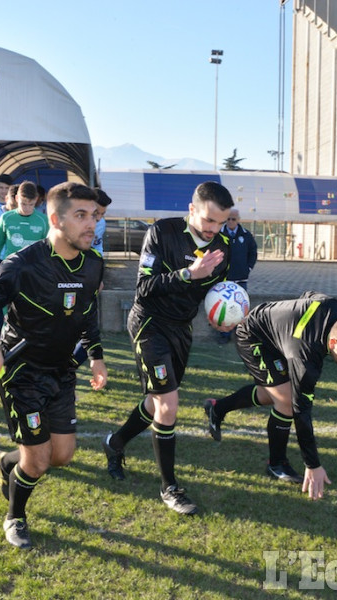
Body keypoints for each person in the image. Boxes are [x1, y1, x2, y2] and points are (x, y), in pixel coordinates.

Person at [0, 181, 108, 549]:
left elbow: (87, 313)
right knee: (38, 462)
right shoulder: (22, 265)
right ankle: (15, 516)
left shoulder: (94, 264)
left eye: (96, 216)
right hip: (21, 373)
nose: (92, 224)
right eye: (82, 216)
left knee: (63, 456)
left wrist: (96, 355)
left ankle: (8, 462)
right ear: (55, 219)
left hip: (62, 371)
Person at [101, 180, 234, 516]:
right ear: (192, 210)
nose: (213, 229)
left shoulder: (223, 247)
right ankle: (169, 488)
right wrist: (188, 274)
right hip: (150, 323)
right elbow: (144, 287)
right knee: (168, 404)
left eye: (221, 222)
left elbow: (214, 292)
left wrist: (220, 316)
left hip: (181, 329)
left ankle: (114, 443)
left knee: (156, 401)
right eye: (208, 220)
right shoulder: (163, 232)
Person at [203, 292, 337, 500]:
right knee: (286, 401)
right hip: (253, 337)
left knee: (270, 393)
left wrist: (287, 327)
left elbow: (310, 296)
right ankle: (276, 464)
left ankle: (216, 408)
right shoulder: (305, 357)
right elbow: (301, 411)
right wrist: (313, 464)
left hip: (280, 337)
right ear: (333, 341)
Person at [218, 208, 257, 343]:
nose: (230, 221)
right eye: (228, 219)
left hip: (241, 279)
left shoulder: (246, 235)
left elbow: (253, 252)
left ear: (238, 220)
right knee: (223, 308)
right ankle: (224, 335)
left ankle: (239, 335)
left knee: (240, 308)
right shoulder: (218, 234)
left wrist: (248, 268)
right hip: (224, 279)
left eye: (233, 219)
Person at [0, 181, 48, 267]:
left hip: (35, 267)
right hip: (11, 266)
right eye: (23, 204)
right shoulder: (6, 218)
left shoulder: (43, 220)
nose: (27, 208)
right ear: (17, 198)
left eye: (31, 204)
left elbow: (48, 247)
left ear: (36, 199)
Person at [91, 189, 113, 255]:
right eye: (96, 213)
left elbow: (97, 245)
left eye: (102, 214)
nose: (98, 218)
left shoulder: (101, 223)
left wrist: (99, 260)